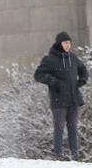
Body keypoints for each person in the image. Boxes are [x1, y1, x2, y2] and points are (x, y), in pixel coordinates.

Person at [33, 31, 88, 160]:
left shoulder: (73, 58)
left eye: (69, 43)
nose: (68, 45)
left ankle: (75, 155)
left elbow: (83, 69)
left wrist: (82, 80)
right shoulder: (50, 59)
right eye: (65, 43)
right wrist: (54, 82)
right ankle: (58, 155)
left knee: (73, 127)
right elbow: (38, 75)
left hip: (73, 98)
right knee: (59, 128)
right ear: (59, 44)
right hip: (58, 100)